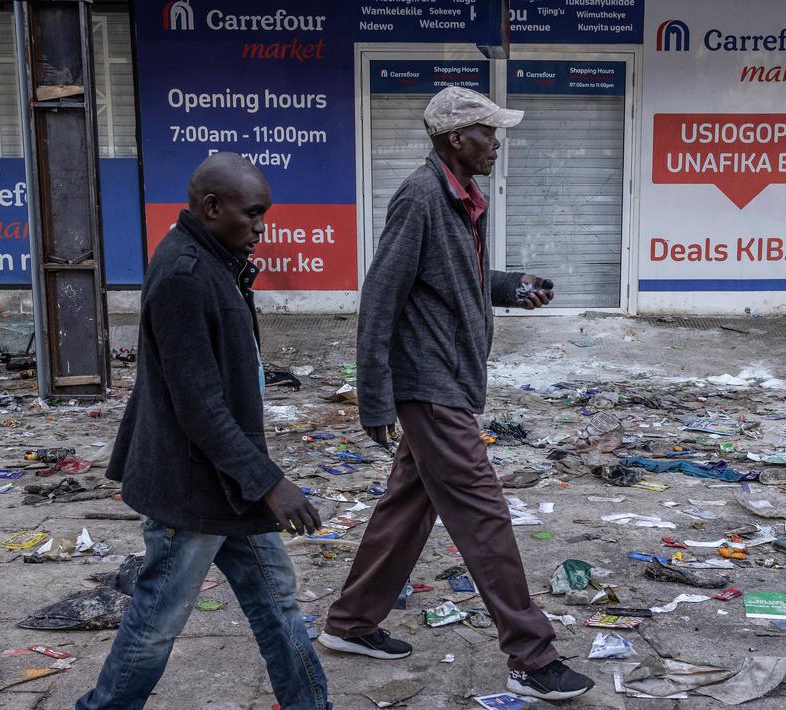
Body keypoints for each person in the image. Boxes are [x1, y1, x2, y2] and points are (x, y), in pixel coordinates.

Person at [319, 87, 594, 701]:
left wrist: (509, 285)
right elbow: (380, 299)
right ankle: (531, 655)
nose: (496, 144)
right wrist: (373, 398)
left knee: (407, 507)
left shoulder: (464, 197)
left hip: (449, 378)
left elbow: (451, 278)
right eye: (488, 134)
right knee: (483, 515)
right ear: (455, 139)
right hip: (430, 384)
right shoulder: (420, 196)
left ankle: (349, 623)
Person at [76, 153, 331, 710]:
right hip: (191, 487)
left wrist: (255, 478)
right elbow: (200, 407)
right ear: (212, 207)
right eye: (253, 214)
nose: (261, 227)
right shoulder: (183, 275)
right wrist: (270, 482)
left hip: (231, 482)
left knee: (278, 603)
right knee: (157, 622)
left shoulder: (216, 261)